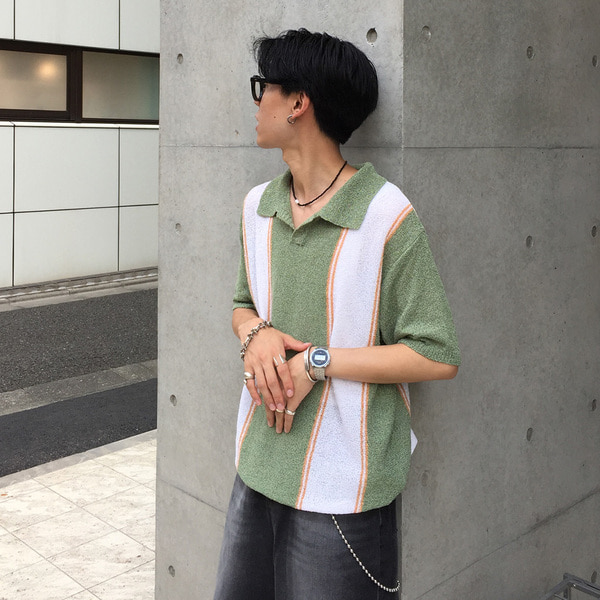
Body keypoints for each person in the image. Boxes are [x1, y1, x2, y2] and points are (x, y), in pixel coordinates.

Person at [214, 29, 461, 600]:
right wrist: (256, 334)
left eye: (264, 87)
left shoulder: (385, 216)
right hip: (257, 465)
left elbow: (436, 354)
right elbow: (242, 305)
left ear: (298, 102)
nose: (257, 102)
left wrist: (316, 363)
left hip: (344, 487)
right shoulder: (257, 206)